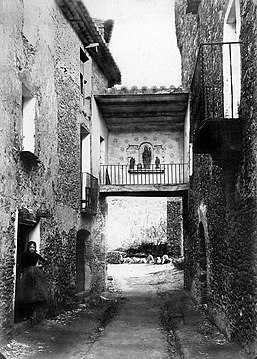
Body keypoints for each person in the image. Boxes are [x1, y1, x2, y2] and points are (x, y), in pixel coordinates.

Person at [19, 241, 48, 321]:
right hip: (26, 276)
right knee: (26, 295)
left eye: (33, 247)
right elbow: (21, 265)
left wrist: (38, 266)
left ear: (35, 248)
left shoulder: (36, 255)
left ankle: (31, 314)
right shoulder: (24, 255)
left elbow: (45, 261)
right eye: (30, 247)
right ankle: (25, 315)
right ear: (28, 248)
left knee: (33, 295)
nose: (32, 249)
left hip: (34, 276)